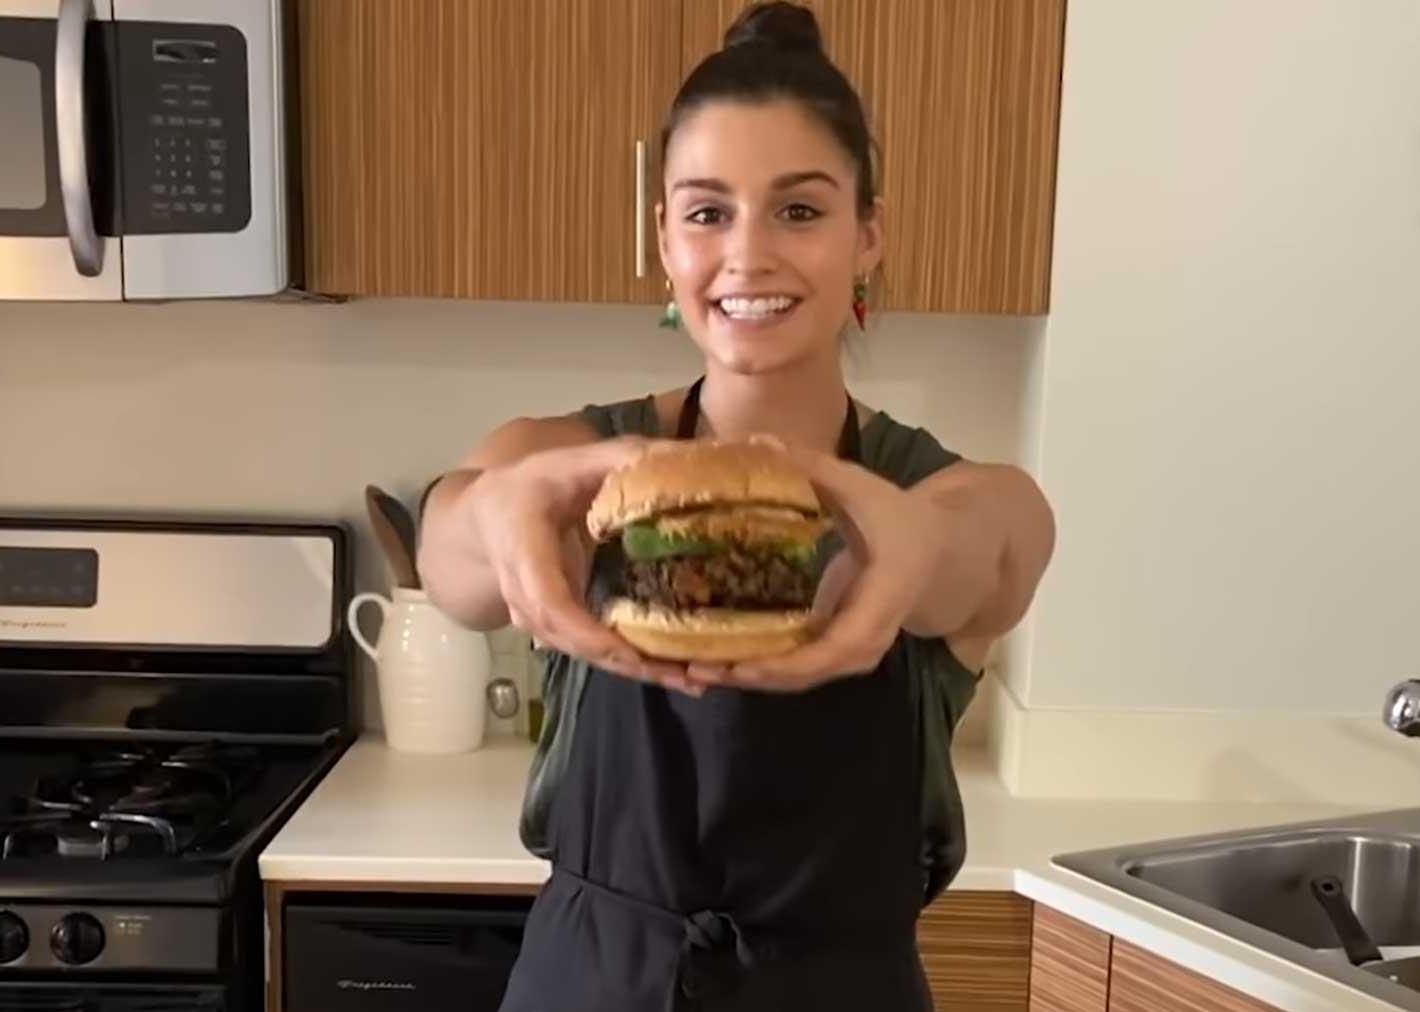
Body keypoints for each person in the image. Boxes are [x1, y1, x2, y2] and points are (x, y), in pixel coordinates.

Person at [415, 4, 1055, 1009]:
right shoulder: (576, 463)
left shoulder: (929, 489)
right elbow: (449, 552)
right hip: (591, 983)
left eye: (799, 210)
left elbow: (1001, 539)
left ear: (868, 235)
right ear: (663, 239)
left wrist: (909, 543)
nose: (748, 255)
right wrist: (493, 517)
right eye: (708, 211)